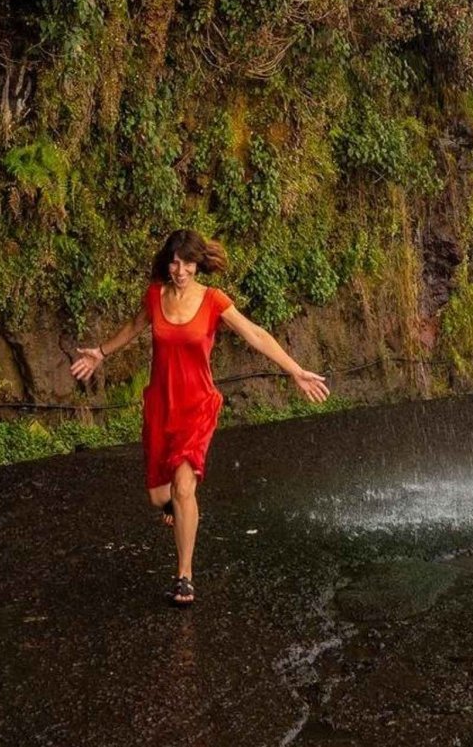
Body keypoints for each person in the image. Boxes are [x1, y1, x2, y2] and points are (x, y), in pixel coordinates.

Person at [69, 229, 330, 605]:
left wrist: (294, 369)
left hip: (197, 406)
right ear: (167, 262)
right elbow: (132, 327)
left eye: (188, 262)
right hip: (161, 406)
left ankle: (184, 575)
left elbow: (255, 334)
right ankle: (176, 506)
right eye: (174, 262)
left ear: (197, 264)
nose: (180, 270)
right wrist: (100, 353)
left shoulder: (213, 300)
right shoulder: (155, 297)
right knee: (160, 497)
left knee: (184, 487)